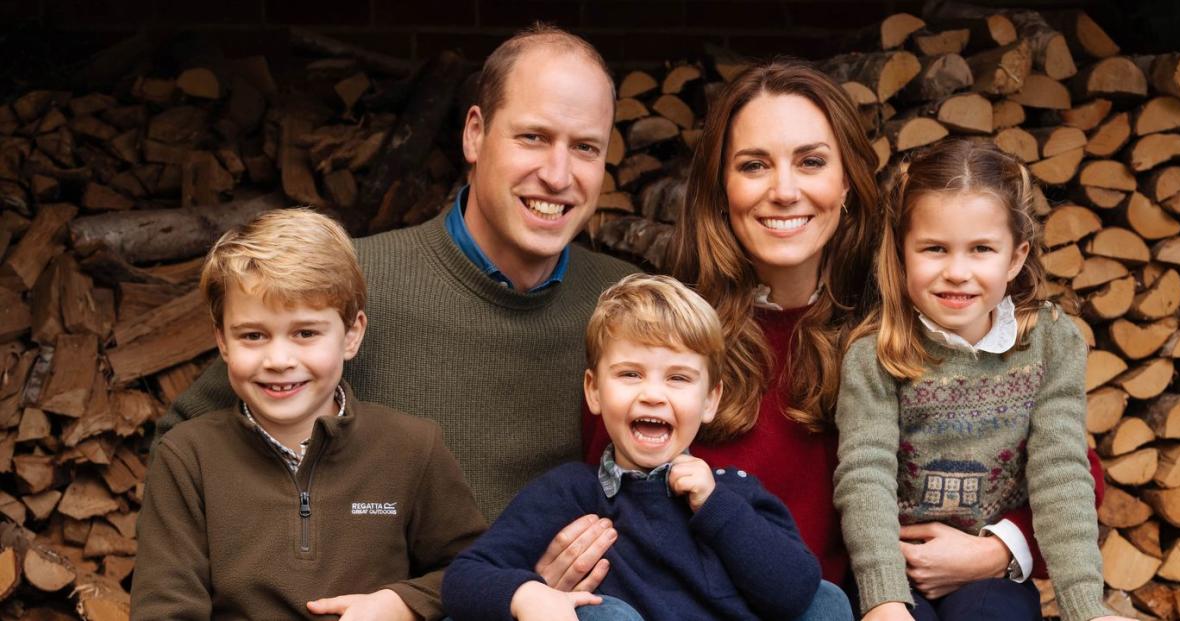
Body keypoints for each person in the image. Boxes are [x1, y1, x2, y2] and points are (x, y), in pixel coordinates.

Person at [582, 59, 1099, 602]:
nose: (784, 191)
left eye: (810, 162)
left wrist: (996, 549)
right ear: (720, 187)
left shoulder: (907, 319)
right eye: (754, 165)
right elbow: (604, 483)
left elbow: (1070, 469)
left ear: (847, 179)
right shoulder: (671, 331)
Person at [157, 24, 637, 533]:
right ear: (475, 133)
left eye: (586, 148)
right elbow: (183, 447)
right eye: (533, 137)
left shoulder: (628, 308)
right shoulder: (350, 285)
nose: (558, 175)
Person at [132, 209, 487, 620]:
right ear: (222, 342)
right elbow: (163, 608)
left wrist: (402, 603)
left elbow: (473, 571)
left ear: (352, 334)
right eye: (253, 335)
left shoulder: (412, 449)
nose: (279, 359)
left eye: (305, 333)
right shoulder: (187, 458)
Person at [833, 140, 1129, 621]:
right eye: (934, 248)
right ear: (902, 252)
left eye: (981, 250)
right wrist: (883, 597)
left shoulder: (1051, 343)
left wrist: (1085, 608)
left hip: (985, 574)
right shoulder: (877, 353)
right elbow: (864, 477)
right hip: (891, 567)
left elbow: (1062, 473)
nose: (957, 271)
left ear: (1015, 258)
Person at [442, 274, 850, 621]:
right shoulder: (572, 493)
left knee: (827, 600)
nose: (653, 395)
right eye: (631, 374)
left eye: (678, 378)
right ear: (594, 391)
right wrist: (528, 594)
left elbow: (796, 592)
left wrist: (716, 507)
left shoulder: (733, 493)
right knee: (604, 615)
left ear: (710, 400)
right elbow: (464, 578)